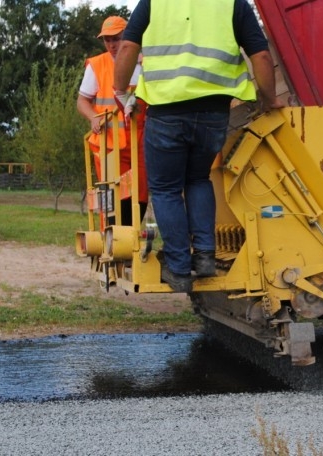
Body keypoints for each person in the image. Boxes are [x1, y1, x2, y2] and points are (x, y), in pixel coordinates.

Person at [113, 0, 283, 293]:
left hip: (166, 110)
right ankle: (204, 256)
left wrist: (119, 89)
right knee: (198, 179)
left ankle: (178, 267)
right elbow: (262, 56)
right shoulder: (232, 3)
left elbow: (127, 48)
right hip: (213, 113)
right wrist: (269, 99)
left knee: (166, 189)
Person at [77, 16, 148, 227]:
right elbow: (82, 101)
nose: (111, 44)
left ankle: (129, 240)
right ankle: (112, 242)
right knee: (112, 197)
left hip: (140, 141)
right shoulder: (97, 65)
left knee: (140, 194)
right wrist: (92, 118)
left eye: (116, 38)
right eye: (107, 40)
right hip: (109, 145)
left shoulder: (144, 64)